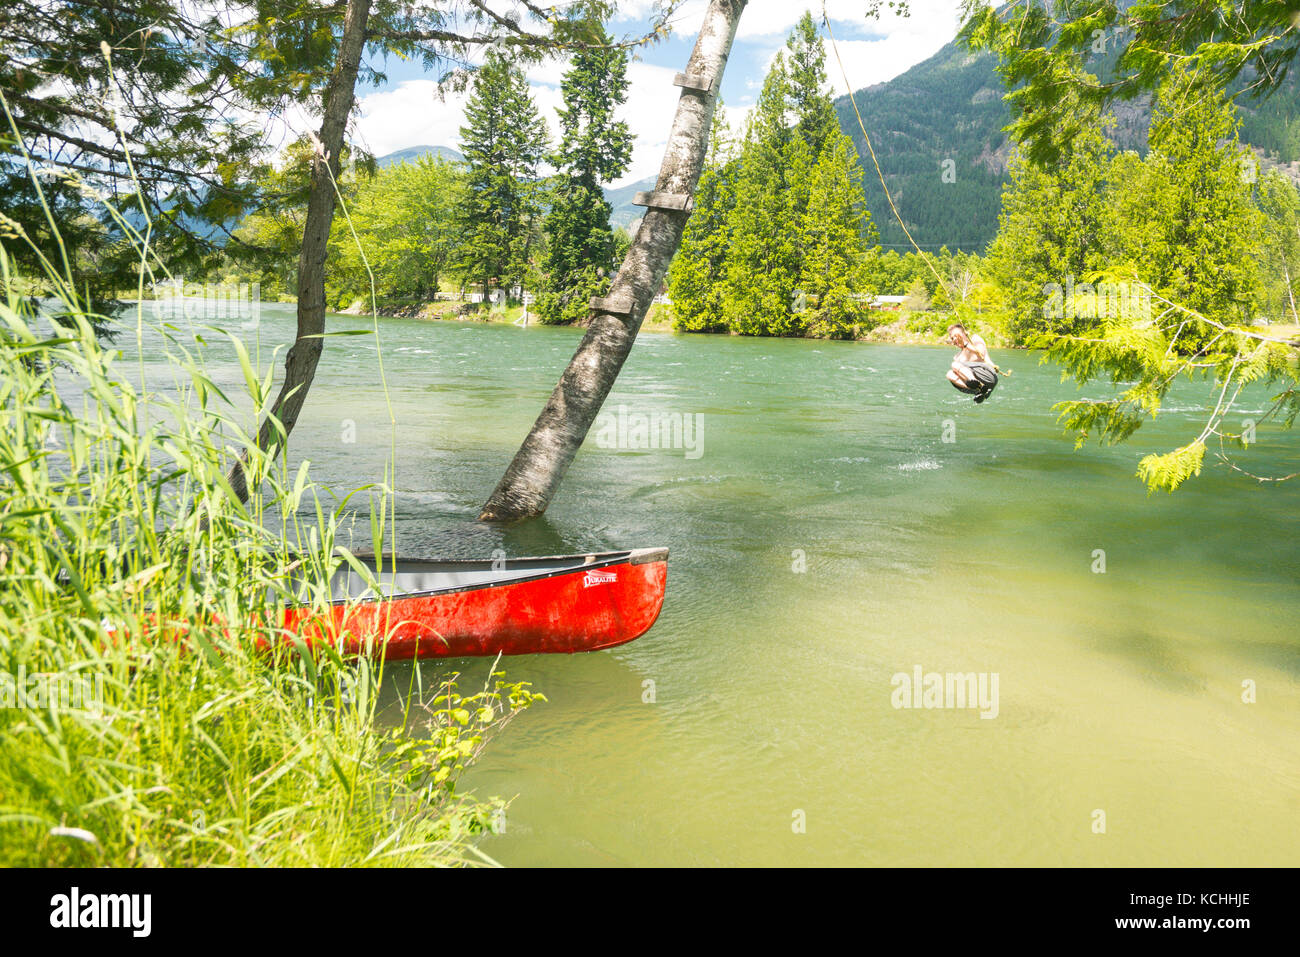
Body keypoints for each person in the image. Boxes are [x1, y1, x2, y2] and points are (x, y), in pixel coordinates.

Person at [945, 323, 998, 403]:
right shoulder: (957, 357)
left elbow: (981, 353)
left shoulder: (975, 339)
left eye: (957, 335)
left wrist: (965, 344)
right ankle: (979, 391)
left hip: (987, 374)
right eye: (953, 338)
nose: (955, 339)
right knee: (949, 374)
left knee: (954, 364)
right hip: (983, 385)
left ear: (964, 333)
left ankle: (976, 384)